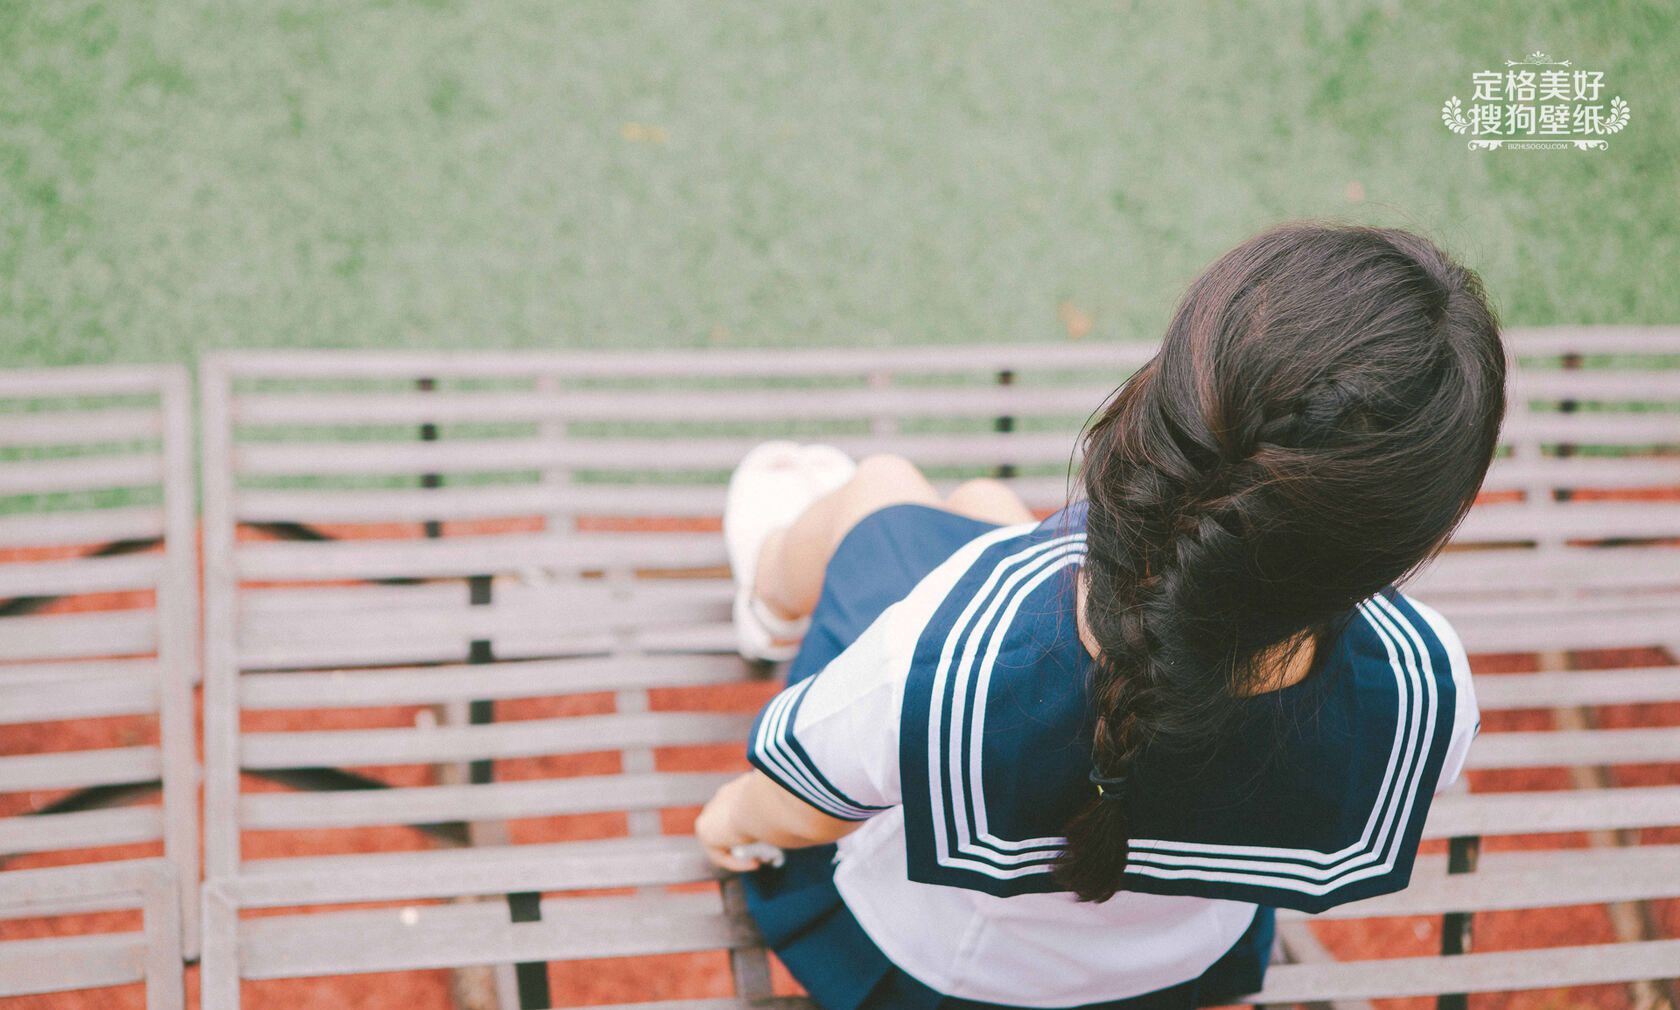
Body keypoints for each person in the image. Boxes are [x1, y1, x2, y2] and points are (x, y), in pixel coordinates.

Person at [694, 222, 1505, 1010]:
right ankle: (801, 572)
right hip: (1175, 969)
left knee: (879, 488)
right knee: (982, 504)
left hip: (946, 972)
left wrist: (730, 818)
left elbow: (800, 803)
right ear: (1438, 517)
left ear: (1168, 399)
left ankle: (767, 601)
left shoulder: (953, 657)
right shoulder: (1430, 691)